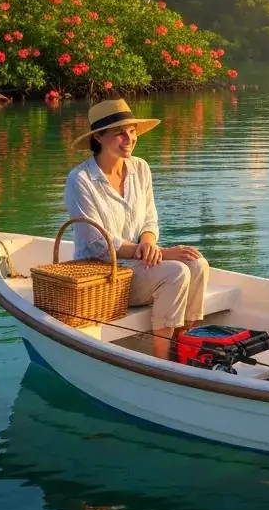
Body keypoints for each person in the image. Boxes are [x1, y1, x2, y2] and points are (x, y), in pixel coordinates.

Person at [64, 98, 209, 359]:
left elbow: (149, 220)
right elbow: (99, 245)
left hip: (139, 266)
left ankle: (185, 346)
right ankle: (162, 360)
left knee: (197, 263)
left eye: (132, 132)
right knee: (176, 271)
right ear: (98, 136)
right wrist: (161, 254)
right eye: (120, 133)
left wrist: (150, 243)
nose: (129, 138)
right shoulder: (81, 180)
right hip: (104, 275)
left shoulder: (140, 168)